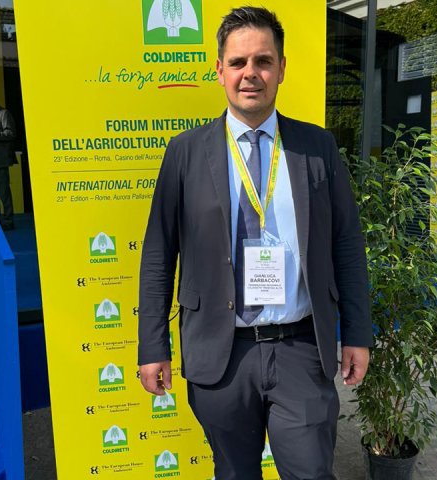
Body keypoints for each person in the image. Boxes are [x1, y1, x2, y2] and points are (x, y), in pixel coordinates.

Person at [138, 6, 372, 479]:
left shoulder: (317, 147)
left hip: (300, 349)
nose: (251, 73)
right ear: (219, 70)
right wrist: (152, 344)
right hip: (221, 353)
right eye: (238, 62)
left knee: (311, 472)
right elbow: (160, 253)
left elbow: (346, 244)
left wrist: (358, 334)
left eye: (263, 61)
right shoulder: (185, 152)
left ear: (281, 68)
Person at [0, 93, 17, 230]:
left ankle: (8, 220)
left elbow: (11, 133)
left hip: (0, 161)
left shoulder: (3, 113)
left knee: (4, 193)